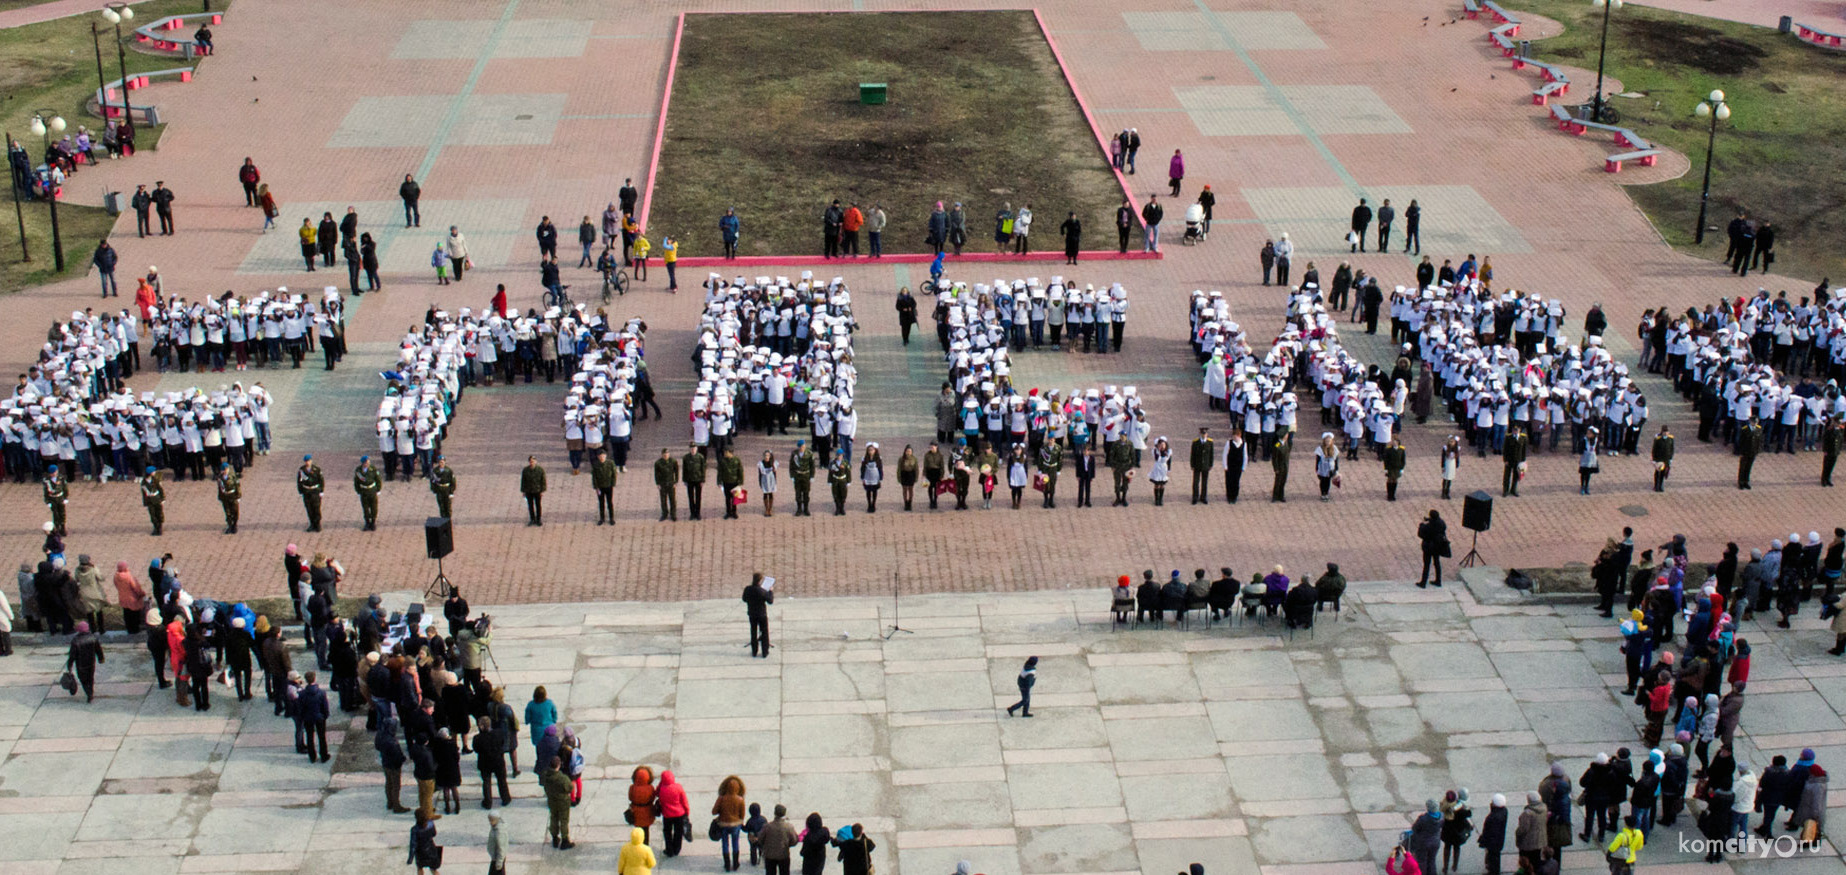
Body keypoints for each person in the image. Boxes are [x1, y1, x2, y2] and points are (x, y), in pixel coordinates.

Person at [65, 620, 105, 702]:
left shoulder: (75, 641)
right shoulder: (93, 638)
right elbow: (98, 650)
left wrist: (69, 665)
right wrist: (101, 659)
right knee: (90, 678)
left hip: (81, 665)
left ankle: (89, 693)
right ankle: (91, 691)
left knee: (83, 680)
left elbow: (72, 655)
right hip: (91, 663)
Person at [713, 775, 748, 870]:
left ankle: (727, 864)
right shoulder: (740, 800)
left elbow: (714, 812)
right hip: (736, 824)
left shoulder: (721, 798)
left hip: (723, 824)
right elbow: (742, 815)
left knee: (725, 843)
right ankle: (736, 863)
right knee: (735, 843)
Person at [541, 756, 574, 849]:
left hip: (551, 800)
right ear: (558, 765)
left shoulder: (545, 775)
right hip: (562, 802)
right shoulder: (562, 778)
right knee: (563, 820)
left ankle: (555, 838)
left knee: (554, 818)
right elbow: (570, 788)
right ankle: (565, 840)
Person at [659, 769, 691, 856]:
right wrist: (687, 811)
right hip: (679, 814)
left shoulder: (662, 789)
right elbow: (684, 801)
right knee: (678, 832)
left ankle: (669, 849)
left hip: (667, 815)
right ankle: (676, 849)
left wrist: (661, 784)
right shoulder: (678, 787)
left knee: (667, 832)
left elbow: (658, 796)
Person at [744, 572, 773, 658]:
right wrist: (770, 592)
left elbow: (744, 599)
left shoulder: (748, 589)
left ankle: (754, 651)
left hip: (752, 613)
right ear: (760, 581)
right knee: (764, 632)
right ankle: (765, 651)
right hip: (761, 614)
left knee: (753, 631)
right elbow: (770, 601)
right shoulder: (762, 591)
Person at [1477, 793, 1506, 875]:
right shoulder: (1504, 811)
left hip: (1492, 843)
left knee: (1493, 859)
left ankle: (1493, 872)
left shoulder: (1493, 817)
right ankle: (1494, 870)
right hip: (1499, 840)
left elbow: (1489, 832)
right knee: (1496, 858)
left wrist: (1484, 840)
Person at [1418, 510, 1449, 587]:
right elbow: (1441, 526)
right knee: (1437, 563)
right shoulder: (1442, 523)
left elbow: (1420, 534)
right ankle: (1438, 580)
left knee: (1427, 565)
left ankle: (1423, 582)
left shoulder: (1428, 527)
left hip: (1428, 547)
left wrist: (1421, 525)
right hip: (1437, 546)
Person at [297, 455, 324, 532]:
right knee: (309, 508)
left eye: (308, 461)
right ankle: (312, 524)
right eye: (306, 461)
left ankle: (318, 524)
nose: (307, 462)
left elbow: (321, 480)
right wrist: (300, 491)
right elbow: (299, 481)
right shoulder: (302, 470)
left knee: (316, 508)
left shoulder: (317, 469)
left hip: (315, 490)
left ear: (311, 461)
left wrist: (321, 491)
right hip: (306, 491)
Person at [520, 455, 547, 525]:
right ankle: (532, 519)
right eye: (531, 461)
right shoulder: (525, 470)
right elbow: (523, 481)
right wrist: (523, 491)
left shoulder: (540, 470)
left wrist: (542, 490)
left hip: (537, 490)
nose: (532, 463)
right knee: (530, 505)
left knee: (538, 505)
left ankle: (538, 519)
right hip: (529, 490)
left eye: (533, 461)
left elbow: (543, 481)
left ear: (536, 461)